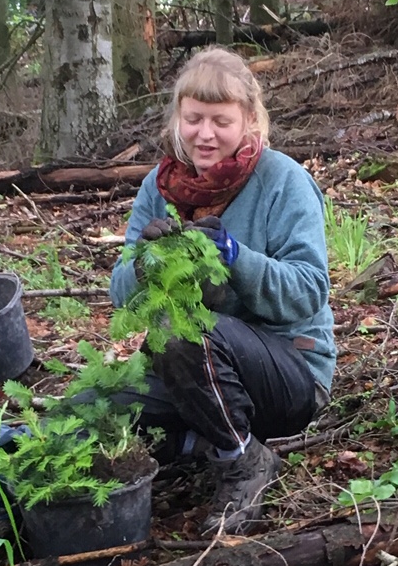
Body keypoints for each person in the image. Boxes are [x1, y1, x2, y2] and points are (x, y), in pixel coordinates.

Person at [111, 48, 336, 536]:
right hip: (193, 370)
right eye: (193, 119)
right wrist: (146, 265)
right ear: (178, 118)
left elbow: (309, 291)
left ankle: (243, 461)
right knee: (94, 406)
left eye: (220, 121)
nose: (204, 134)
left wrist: (236, 256)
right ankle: (203, 442)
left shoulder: (284, 181)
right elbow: (120, 295)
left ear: (250, 122)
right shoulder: (159, 185)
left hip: (289, 369)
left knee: (179, 329)